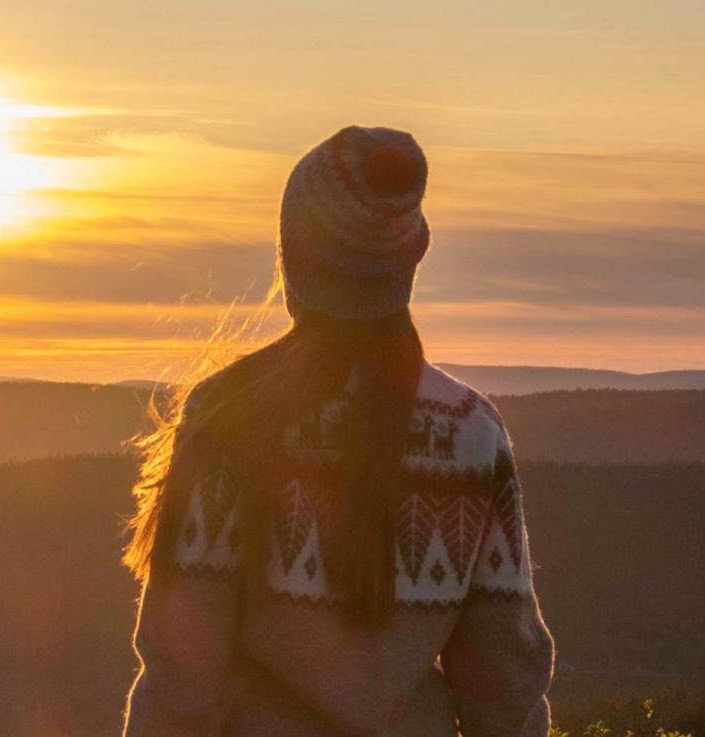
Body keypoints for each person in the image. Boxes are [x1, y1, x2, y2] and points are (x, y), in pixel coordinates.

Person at [121, 126, 555, 737]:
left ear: (294, 255)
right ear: (409, 262)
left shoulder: (229, 418)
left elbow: (181, 678)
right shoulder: (473, 435)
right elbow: (503, 677)